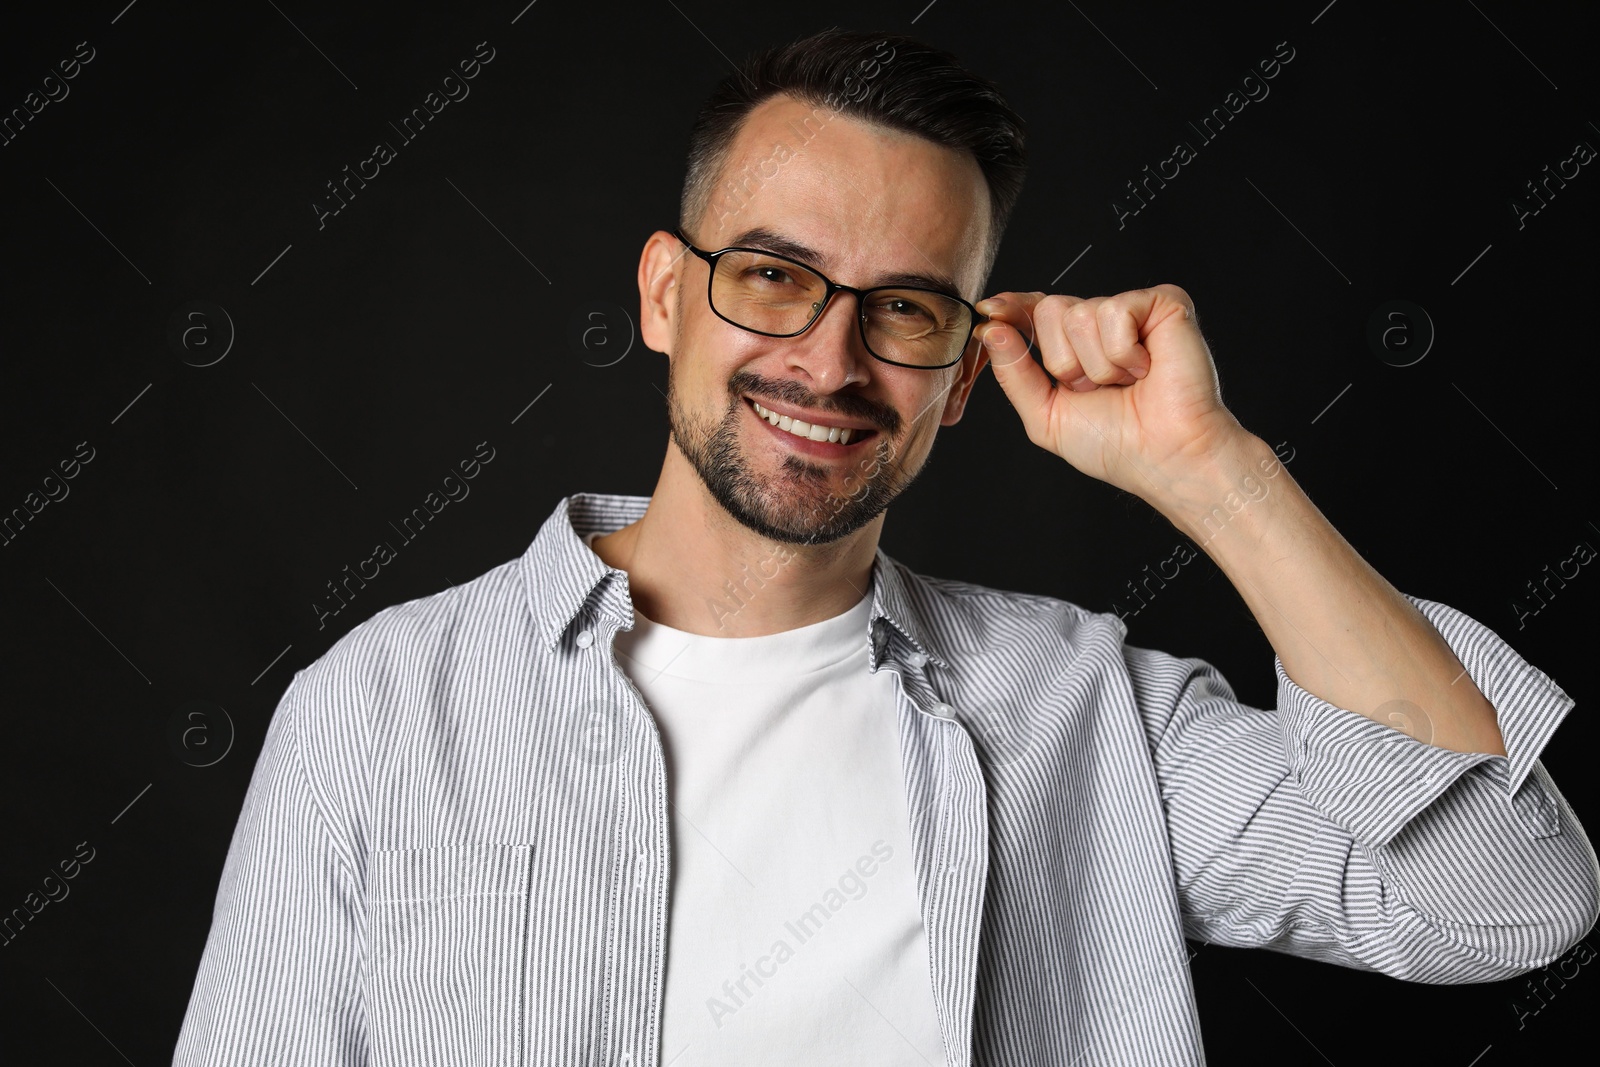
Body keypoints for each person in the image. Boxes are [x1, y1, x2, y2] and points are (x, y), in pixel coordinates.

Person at [173, 27, 1598, 1066]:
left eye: (906, 309)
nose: (830, 359)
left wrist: (1217, 479)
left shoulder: (1083, 713)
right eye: (775, 277)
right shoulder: (377, 708)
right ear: (666, 295)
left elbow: (1504, 900)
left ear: (964, 374)